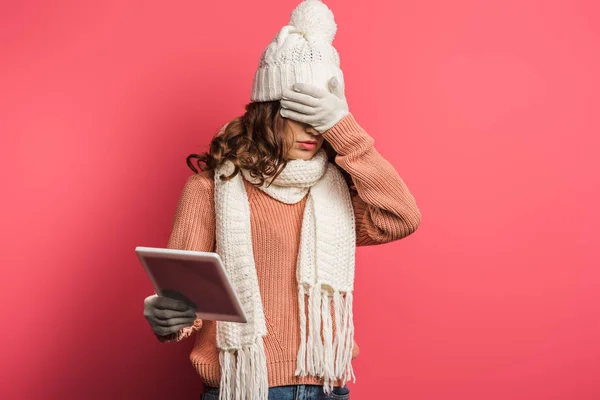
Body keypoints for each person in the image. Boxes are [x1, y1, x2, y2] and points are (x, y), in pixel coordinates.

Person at [142, 0, 421, 399]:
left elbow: (402, 217)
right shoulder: (210, 191)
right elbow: (184, 297)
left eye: (322, 119)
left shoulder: (334, 193)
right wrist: (167, 316)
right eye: (300, 115)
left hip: (327, 385)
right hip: (246, 388)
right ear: (268, 111)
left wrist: (344, 128)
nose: (315, 132)